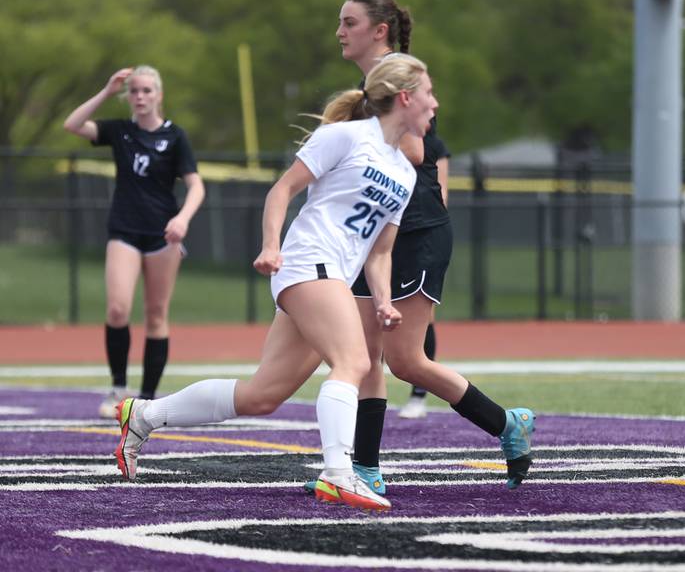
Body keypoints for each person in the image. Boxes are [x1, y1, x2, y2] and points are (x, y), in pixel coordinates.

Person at [113, 54, 435, 512]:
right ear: (405, 97)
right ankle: (339, 474)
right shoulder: (345, 136)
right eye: (428, 92)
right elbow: (282, 189)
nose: (434, 102)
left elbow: (380, 251)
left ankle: (144, 414)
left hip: (333, 277)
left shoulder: (404, 172)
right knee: (354, 362)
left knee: (262, 395)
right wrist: (270, 245)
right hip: (307, 264)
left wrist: (382, 300)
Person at [319, 0, 535, 496]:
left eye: (349, 22)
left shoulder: (401, 75)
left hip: (414, 231)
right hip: (375, 231)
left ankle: (507, 424)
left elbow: (415, 149)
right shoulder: (372, 84)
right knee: (364, 355)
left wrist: (360, 131)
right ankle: (366, 469)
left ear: (380, 29)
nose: (339, 31)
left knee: (406, 360)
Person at [63, 66, 205, 418]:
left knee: (156, 315)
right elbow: (73, 124)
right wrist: (107, 91)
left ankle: (146, 398)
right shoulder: (120, 131)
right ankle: (117, 388)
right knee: (118, 309)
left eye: (146, 91)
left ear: (159, 95)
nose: (140, 97)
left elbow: (196, 185)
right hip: (124, 231)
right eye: (134, 91)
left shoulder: (175, 136)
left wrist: (182, 219)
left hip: (162, 236)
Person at [397, 149, 449, 420]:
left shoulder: (431, 144)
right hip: (384, 237)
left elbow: (441, 194)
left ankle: (419, 393)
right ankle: (362, 397)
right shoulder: (377, 138)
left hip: (417, 237)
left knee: (422, 319)